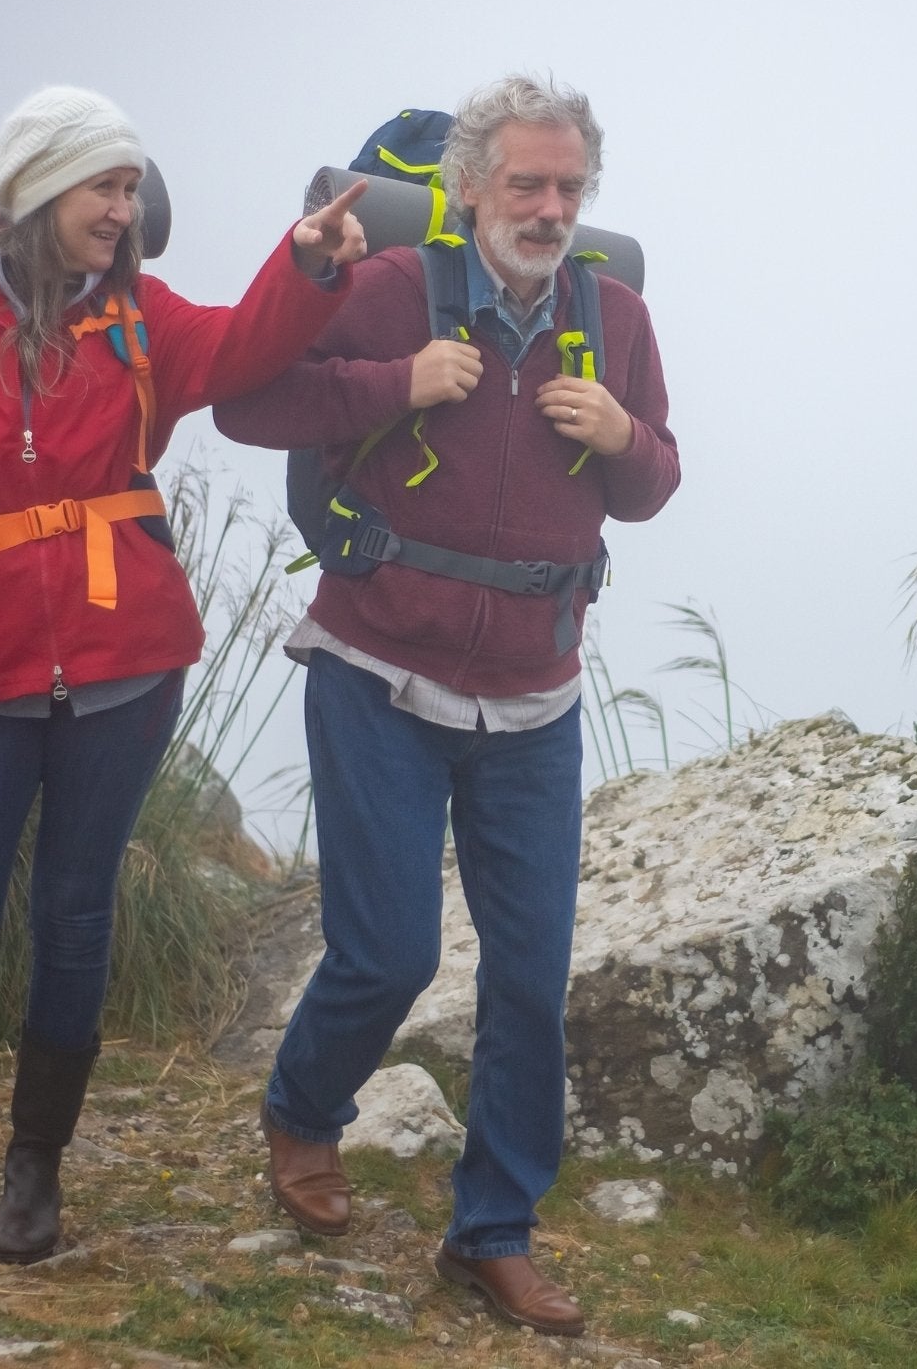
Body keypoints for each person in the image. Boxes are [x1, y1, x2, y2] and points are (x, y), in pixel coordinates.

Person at [0, 85, 367, 1265]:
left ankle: (35, 1165)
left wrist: (308, 262)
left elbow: (240, 348)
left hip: (129, 666)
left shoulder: (140, 319)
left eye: (131, 188)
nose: (124, 210)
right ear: (36, 193)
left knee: (76, 917)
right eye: (104, 187)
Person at [214, 74, 679, 1336]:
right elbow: (245, 400)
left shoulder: (614, 316)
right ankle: (304, 1110)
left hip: (534, 693)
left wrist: (624, 433)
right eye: (526, 184)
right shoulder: (388, 295)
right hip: (378, 667)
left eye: (570, 188)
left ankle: (492, 1233)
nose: (548, 208)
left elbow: (654, 483)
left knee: (528, 979)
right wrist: (395, 384)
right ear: (469, 186)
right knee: (391, 950)